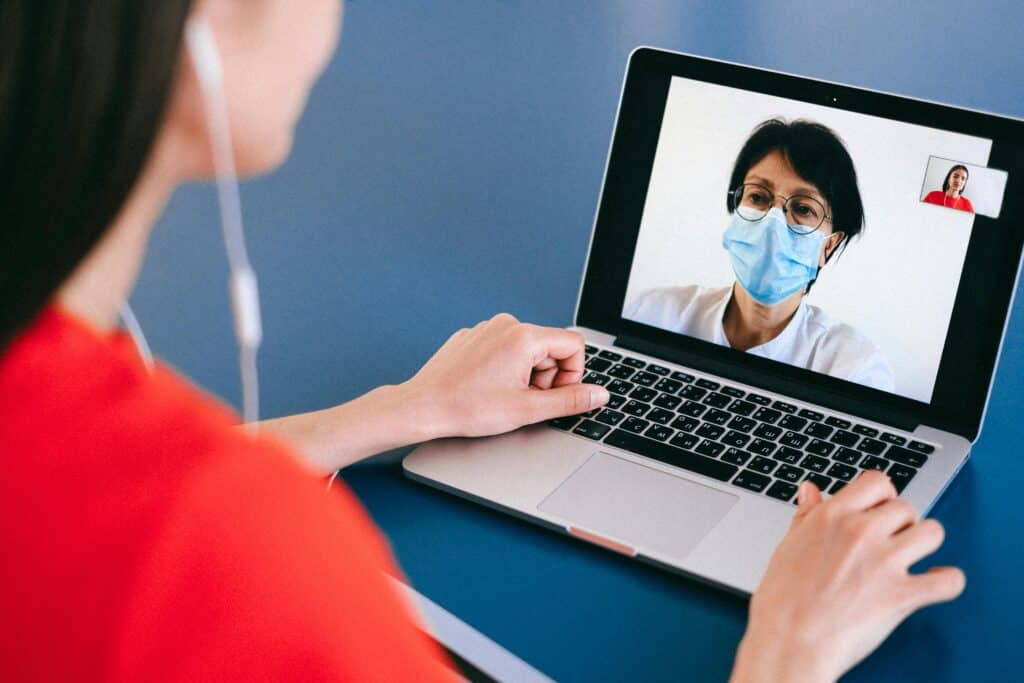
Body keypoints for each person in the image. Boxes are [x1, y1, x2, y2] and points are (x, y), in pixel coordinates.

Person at [0, 2, 964, 681]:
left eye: (804, 212)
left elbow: (110, 506)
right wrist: (785, 655)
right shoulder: (271, 567)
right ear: (205, 24)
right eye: (760, 199)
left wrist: (407, 409)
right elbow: (180, 538)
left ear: (835, 241)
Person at [626, 119, 896, 393]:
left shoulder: (855, 369)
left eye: (803, 208)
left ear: (828, 246)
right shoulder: (652, 313)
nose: (773, 222)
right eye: (758, 197)